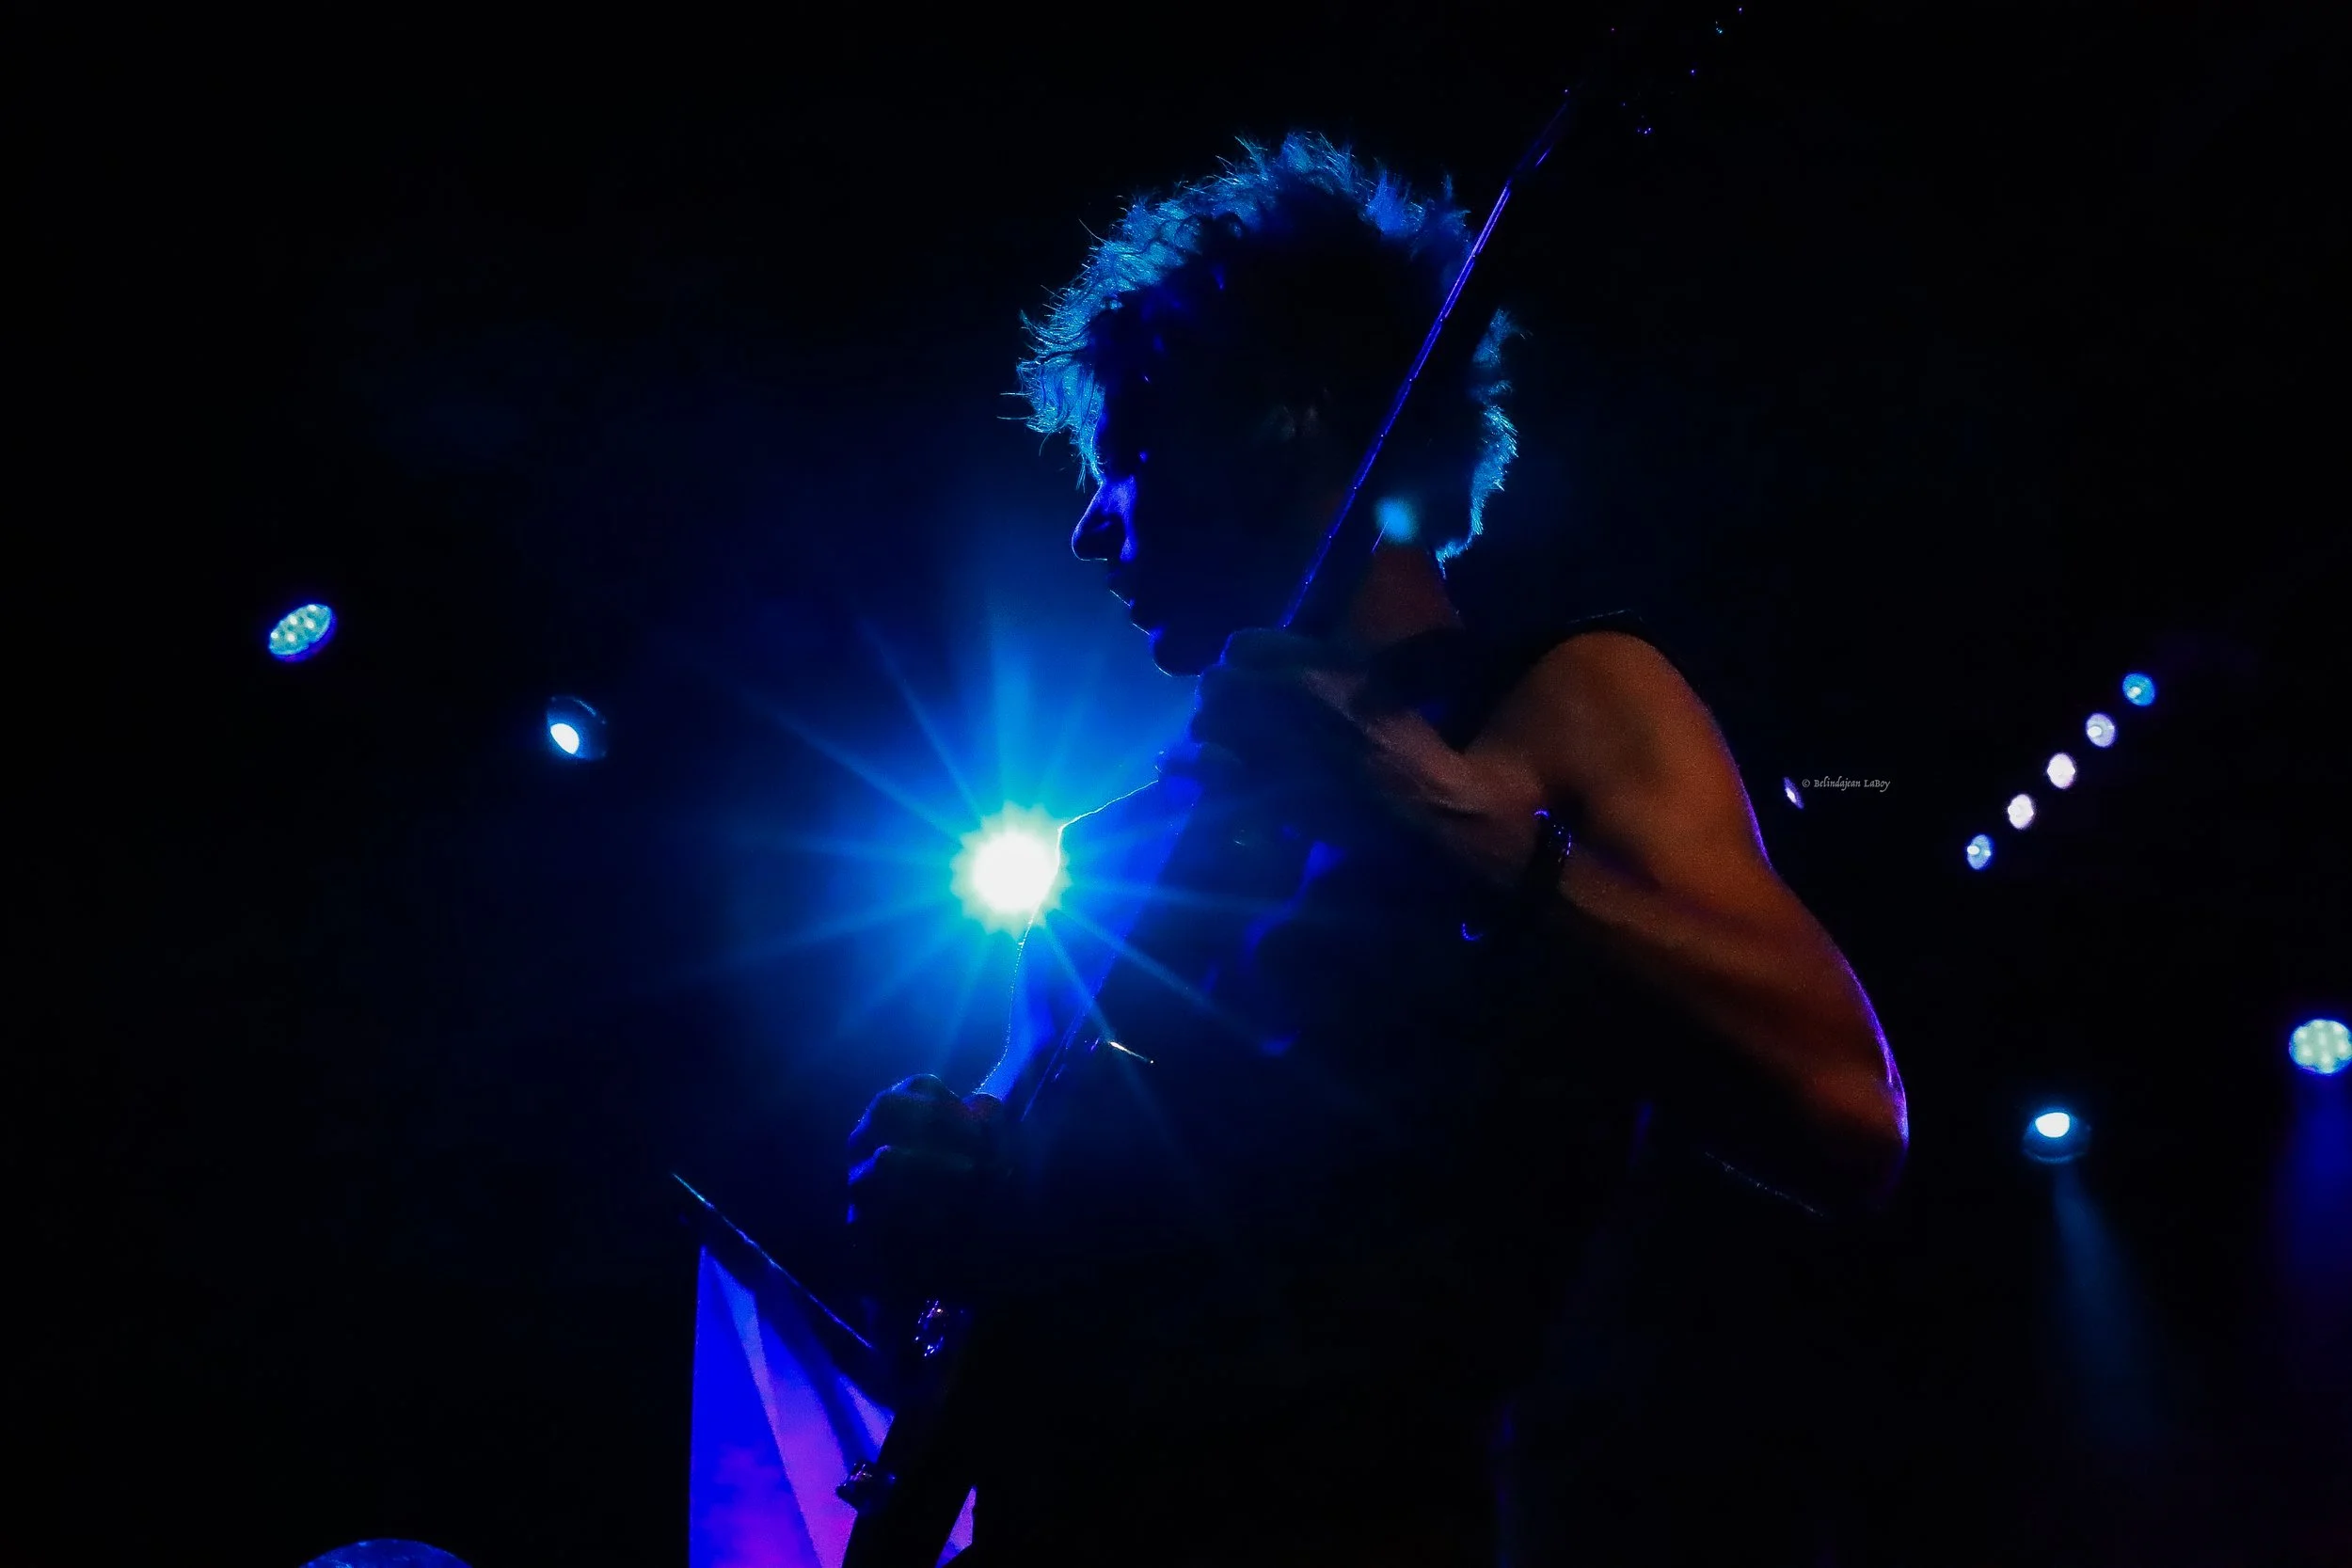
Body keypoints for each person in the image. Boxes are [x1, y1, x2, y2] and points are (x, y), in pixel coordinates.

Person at [844, 132, 1907, 1567]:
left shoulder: (1556, 701)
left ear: (1281, 416)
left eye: (1131, 455)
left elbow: (1847, 1106)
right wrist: (947, 1187)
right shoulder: (1120, 844)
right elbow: (1046, 1241)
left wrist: (1452, 820)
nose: (1093, 528)